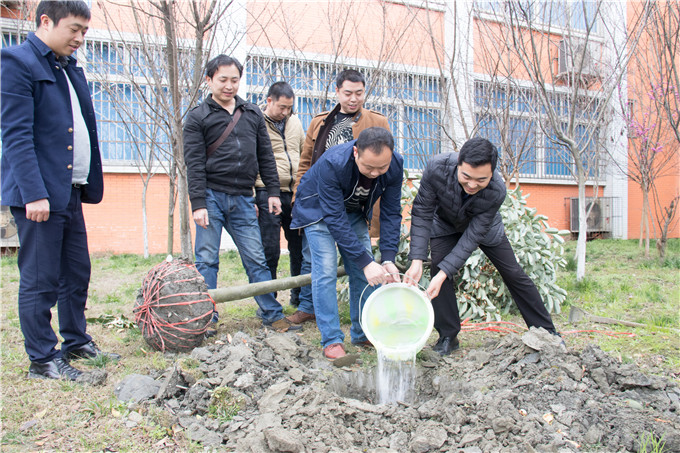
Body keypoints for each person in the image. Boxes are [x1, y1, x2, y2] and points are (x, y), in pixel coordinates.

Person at [1, 0, 120, 381]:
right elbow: (16, 136)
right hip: (39, 195)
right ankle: (42, 358)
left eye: (85, 31)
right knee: (41, 276)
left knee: (76, 270)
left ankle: (76, 340)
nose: (80, 38)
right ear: (46, 21)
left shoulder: (67, 68)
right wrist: (34, 193)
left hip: (68, 189)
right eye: (73, 29)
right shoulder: (17, 63)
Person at [404, 137, 560, 356]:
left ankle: (547, 333)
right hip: (445, 223)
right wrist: (417, 258)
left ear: (492, 174)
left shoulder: (496, 189)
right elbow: (422, 210)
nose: (472, 185)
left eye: (481, 180)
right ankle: (448, 336)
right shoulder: (437, 168)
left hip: (484, 229)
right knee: (438, 266)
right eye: (466, 176)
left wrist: (442, 275)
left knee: (513, 273)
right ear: (459, 162)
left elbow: (472, 237)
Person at [183, 55, 300, 333]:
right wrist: (198, 203)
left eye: (234, 80)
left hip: (244, 198)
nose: (229, 85)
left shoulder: (251, 113)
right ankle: (205, 319)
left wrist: (272, 191)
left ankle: (272, 314)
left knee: (256, 258)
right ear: (209, 80)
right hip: (211, 196)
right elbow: (194, 164)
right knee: (207, 260)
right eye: (222, 79)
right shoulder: (198, 117)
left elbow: (265, 156)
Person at [287, 69, 390, 324]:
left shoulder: (378, 121)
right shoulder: (321, 121)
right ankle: (309, 307)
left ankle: (363, 325)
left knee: (358, 259)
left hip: (355, 200)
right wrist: (298, 195)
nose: (354, 98)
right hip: (320, 197)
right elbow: (306, 162)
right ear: (338, 92)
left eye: (359, 93)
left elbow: (383, 164)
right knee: (317, 260)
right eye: (348, 93)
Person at [291, 127, 403, 359]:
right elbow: (333, 217)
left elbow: (391, 212)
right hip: (317, 209)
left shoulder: (395, 165)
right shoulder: (334, 163)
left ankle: (363, 333)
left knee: (366, 271)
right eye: (368, 167)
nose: (374, 173)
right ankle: (331, 339)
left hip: (351, 210)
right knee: (326, 269)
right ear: (355, 153)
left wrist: (389, 257)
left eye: (381, 168)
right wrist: (365, 260)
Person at [255, 82, 308, 314]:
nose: (285, 112)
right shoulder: (256, 121)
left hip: (295, 193)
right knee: (270, 250)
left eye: (289, 108)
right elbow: (250, 157)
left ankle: (297, 297)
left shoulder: (295, 122)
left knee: (298, 247)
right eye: (282, 107)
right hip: (266, 192)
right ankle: (269, 301)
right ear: (269, 101)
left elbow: (305, 152)